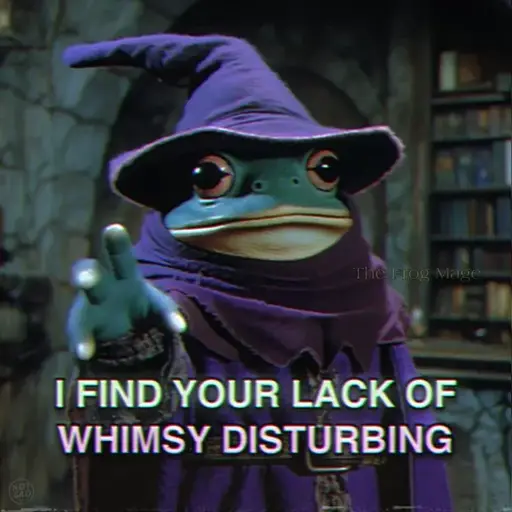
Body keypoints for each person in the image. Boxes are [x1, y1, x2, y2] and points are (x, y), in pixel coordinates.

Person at [63, 34, 452, 512]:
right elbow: (129, 462)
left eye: (322, 170)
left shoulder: (369, 303)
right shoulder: (170, 305)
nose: (282, 192)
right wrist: (127, 352)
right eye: (214, 175)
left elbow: (413, 454)